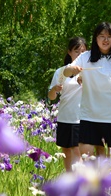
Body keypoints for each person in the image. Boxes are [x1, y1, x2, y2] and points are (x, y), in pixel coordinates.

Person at [63, 22, 111, 157]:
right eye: (101, 36)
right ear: (96, 38)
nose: (105, 40)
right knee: (86, 155)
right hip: (89, 115)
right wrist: (72, 69)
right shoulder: (85, 57)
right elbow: (67, 72)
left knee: (106, 158)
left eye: (109, 36)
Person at [48, 37, 87, 171]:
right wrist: (55, 89)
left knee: (77, 151)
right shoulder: (60, 72)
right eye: (77, 51)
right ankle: (70, 179)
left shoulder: (88, 71)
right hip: (65, 116)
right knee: (66, 151)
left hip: (81, 118)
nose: (80, 55)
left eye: (83, 51)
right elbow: (51, 96)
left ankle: (81, 181)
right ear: (69, 52)